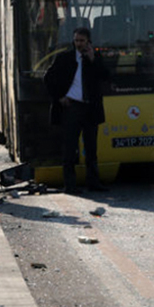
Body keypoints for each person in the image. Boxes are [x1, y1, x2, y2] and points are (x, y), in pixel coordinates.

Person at [44, 27, 109, 193]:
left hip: (90, 108)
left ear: (88, 42)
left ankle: (93, 182)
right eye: (76, 41)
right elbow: (48, 78)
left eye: (82, 41)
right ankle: (70, 185)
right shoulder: (64, 58)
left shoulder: (94, 58)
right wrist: (59, 97)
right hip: (71, 107)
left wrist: (93, 60)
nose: (79, 44)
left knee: (91, 148)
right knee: (70, 148)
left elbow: (106, 76)